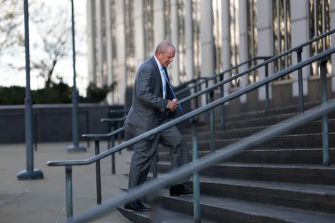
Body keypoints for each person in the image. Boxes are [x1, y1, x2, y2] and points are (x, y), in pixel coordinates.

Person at [123, 40, 192, 212]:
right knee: (142, 159)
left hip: (160, 120)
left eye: (172, 58)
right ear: (159, 53)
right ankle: (132, 199)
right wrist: (165, 103)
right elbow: (142, 94)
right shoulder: (147, 68)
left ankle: (177, 185)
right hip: (145, 122)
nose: (171, 61)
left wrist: (171, 101)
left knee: (178, 142)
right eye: (169, 57)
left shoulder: (161, 68)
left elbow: (162, 90)